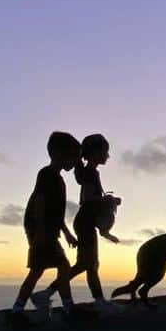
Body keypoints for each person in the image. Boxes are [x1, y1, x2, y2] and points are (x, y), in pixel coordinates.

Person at [40, 133, 124, 315]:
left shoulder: (89, 172)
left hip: (86, 222)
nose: (107, 156)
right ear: (95, 152)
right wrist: (110, 201)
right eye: (105, 152)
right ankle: (48, 293)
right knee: (88, 264)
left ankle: (96, 299)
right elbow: (88, 200)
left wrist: (105, 231)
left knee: (89, 264)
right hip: (85, 221)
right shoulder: (91, 173)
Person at [9, 131, 80, 322]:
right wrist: (40, 232)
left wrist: (66, 233)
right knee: (53, 267)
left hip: (47, 229)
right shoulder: (47, 174)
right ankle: (67, 308)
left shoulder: (57, 178)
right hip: (41, 229)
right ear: (59, 154)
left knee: (44, 269)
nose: (75, 161)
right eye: (73, 156)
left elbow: (57, 212)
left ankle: (18, 310)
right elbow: (39, 202)